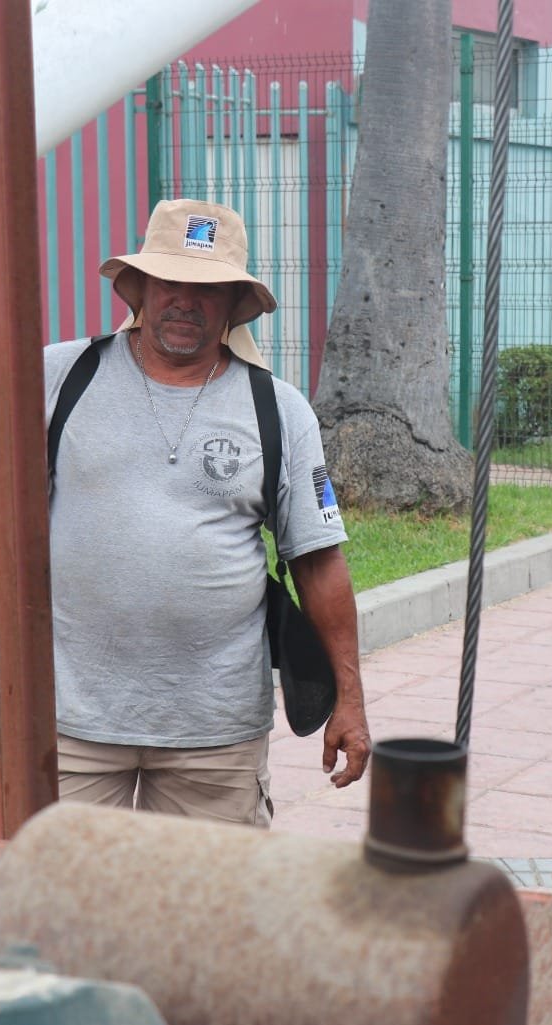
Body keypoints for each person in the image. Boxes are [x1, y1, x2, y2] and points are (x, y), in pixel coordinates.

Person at [44, 197, 370, 825]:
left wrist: (350, 700)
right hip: (71, 720)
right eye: (171, 280)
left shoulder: (279, 409)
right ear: (140, 287)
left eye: (209, 288)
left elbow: (320, 562)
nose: (187, 300)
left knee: (211, 912)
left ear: (233, 305)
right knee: (64, 905)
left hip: (215, 730)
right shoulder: (61, 377)